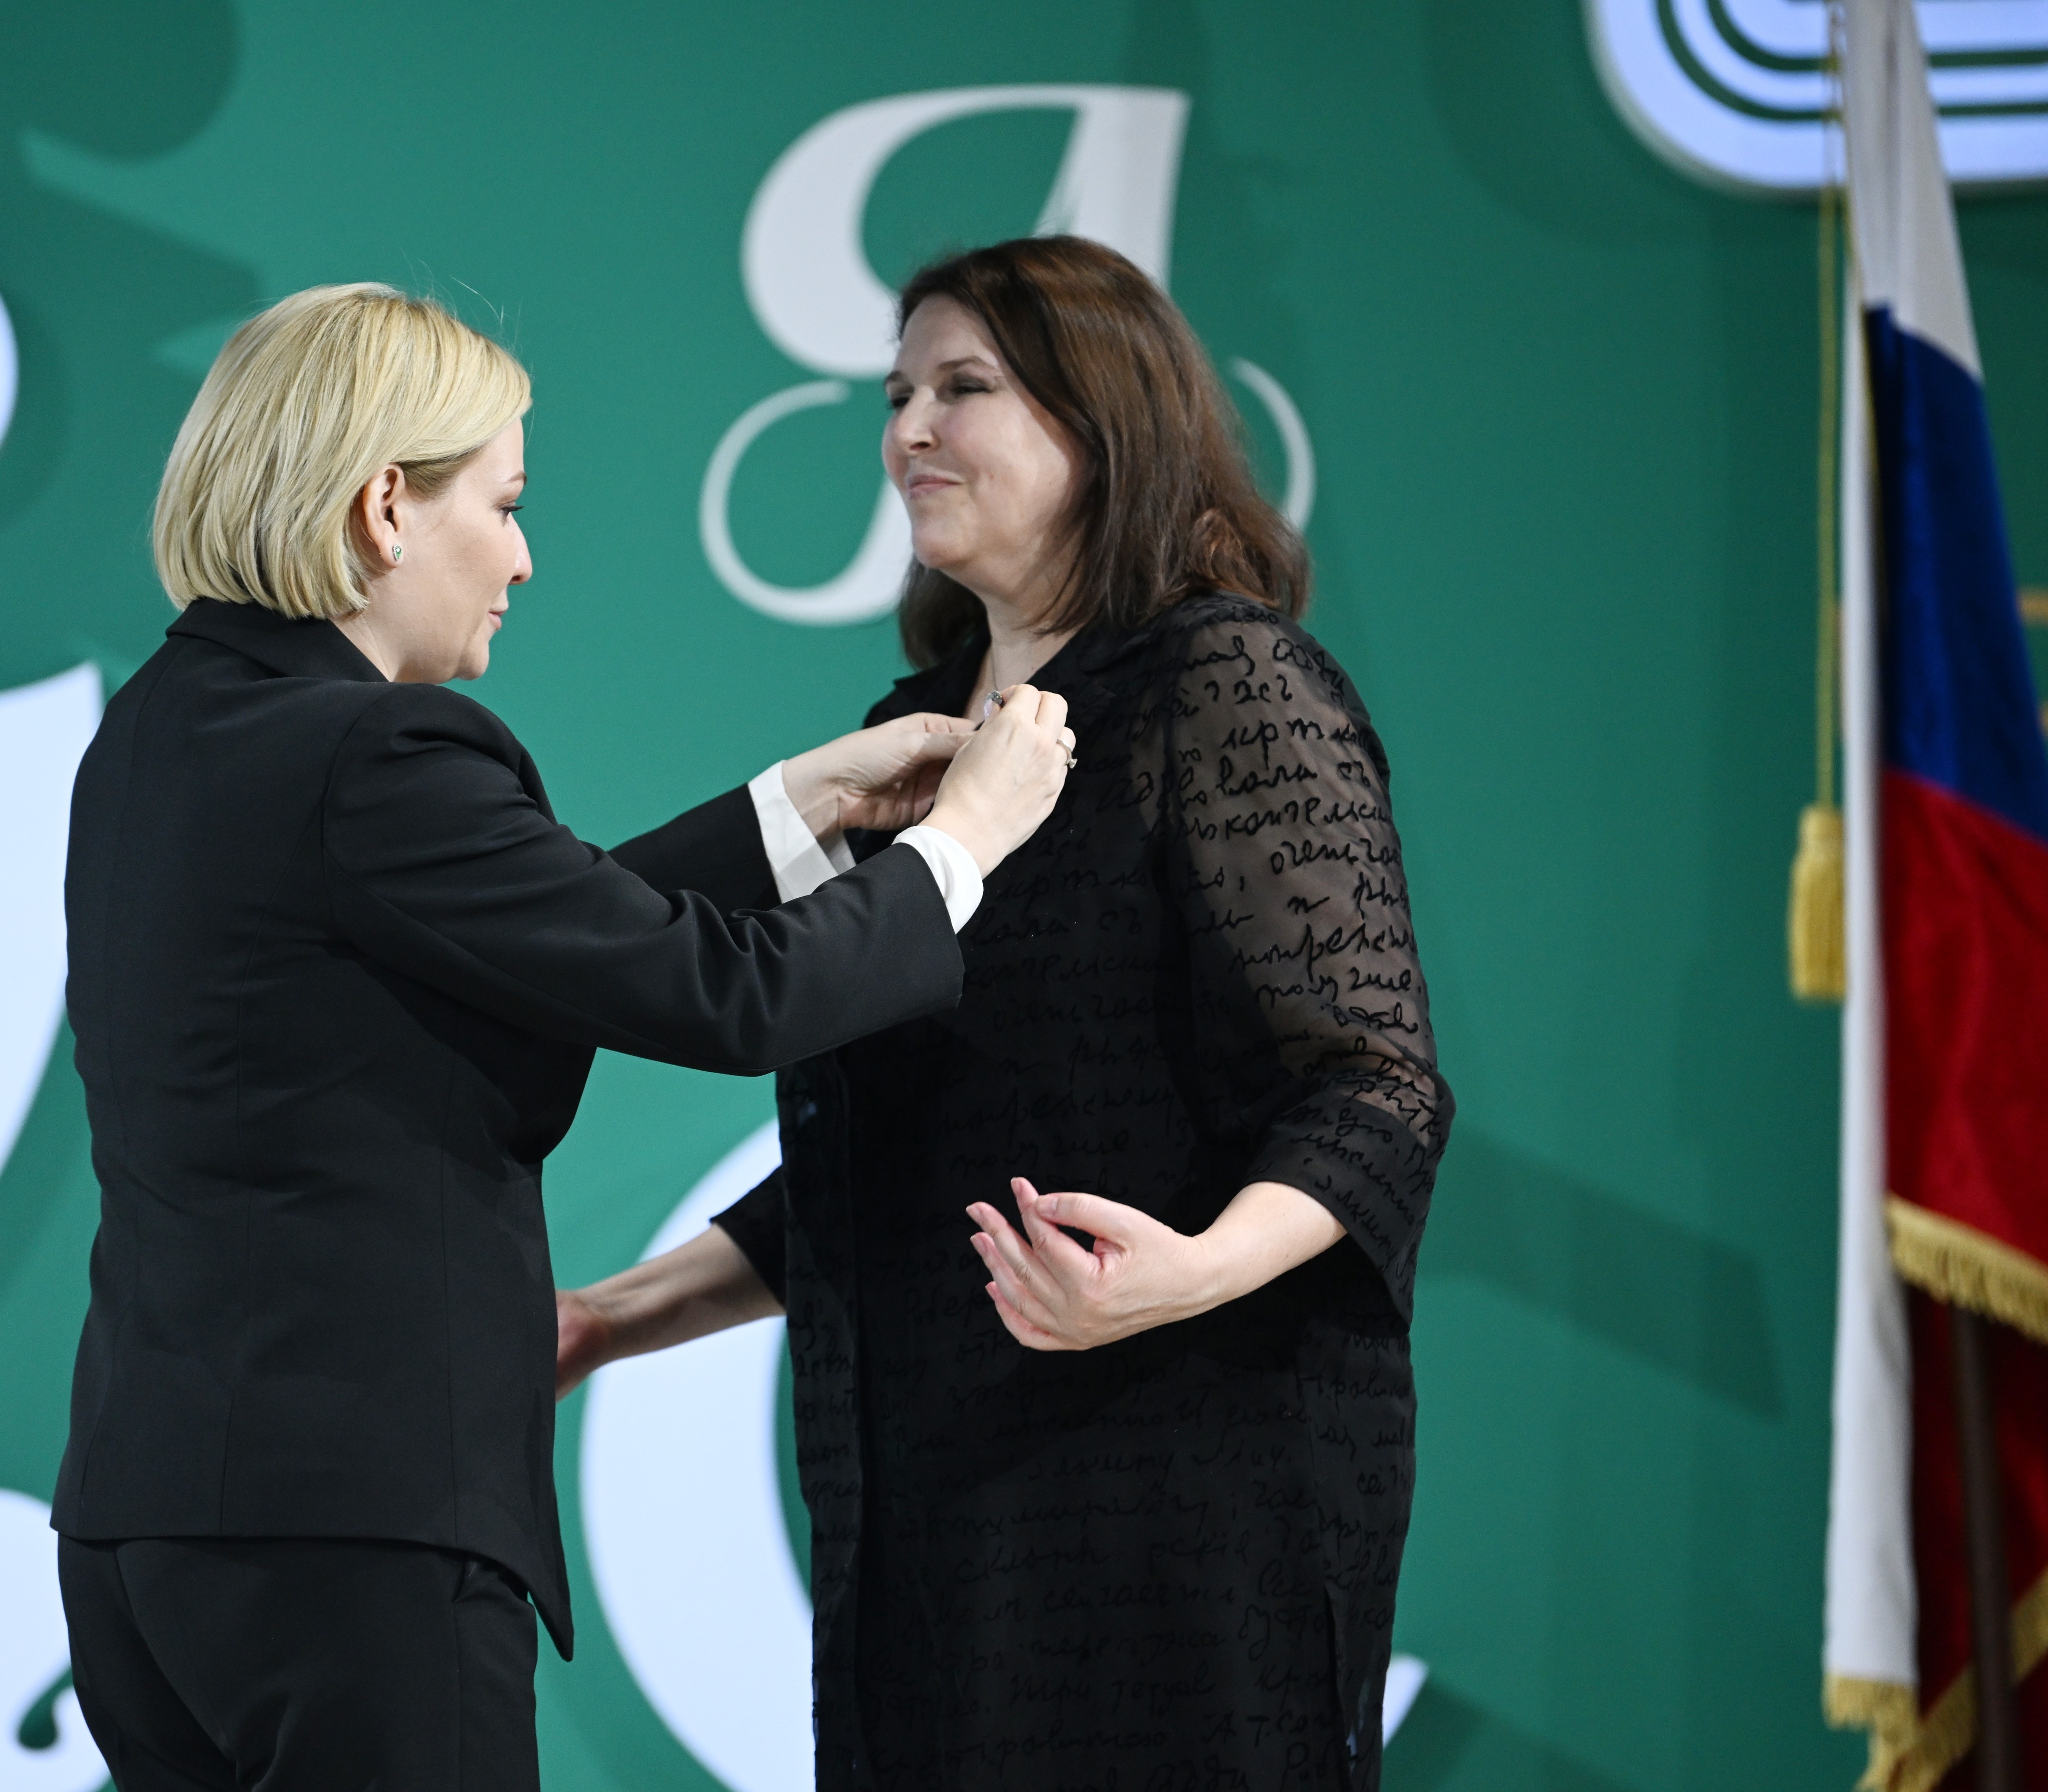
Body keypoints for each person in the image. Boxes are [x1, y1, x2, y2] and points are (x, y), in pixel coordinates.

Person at [49, 283, 1075, 1792]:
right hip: (361, 1539)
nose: (523, 558)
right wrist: (961, 844)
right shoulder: (377, 751)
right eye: (505, 503)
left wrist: (797, 808)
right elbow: (735, 997)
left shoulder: (162, 725)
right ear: (385, 509)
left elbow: (503, 938)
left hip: (146, 1538)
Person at [558, 237, 1452, 1792]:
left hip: (1188, 1488)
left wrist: (1186, 1274)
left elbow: (1375, 1090)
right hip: (928, 1502)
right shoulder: (907, 736)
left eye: (963, 388)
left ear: (1106, 424)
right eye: (896, 393)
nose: (909, 430)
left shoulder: (1227, 684)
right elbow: (890, 1161)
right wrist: (608, 1320)